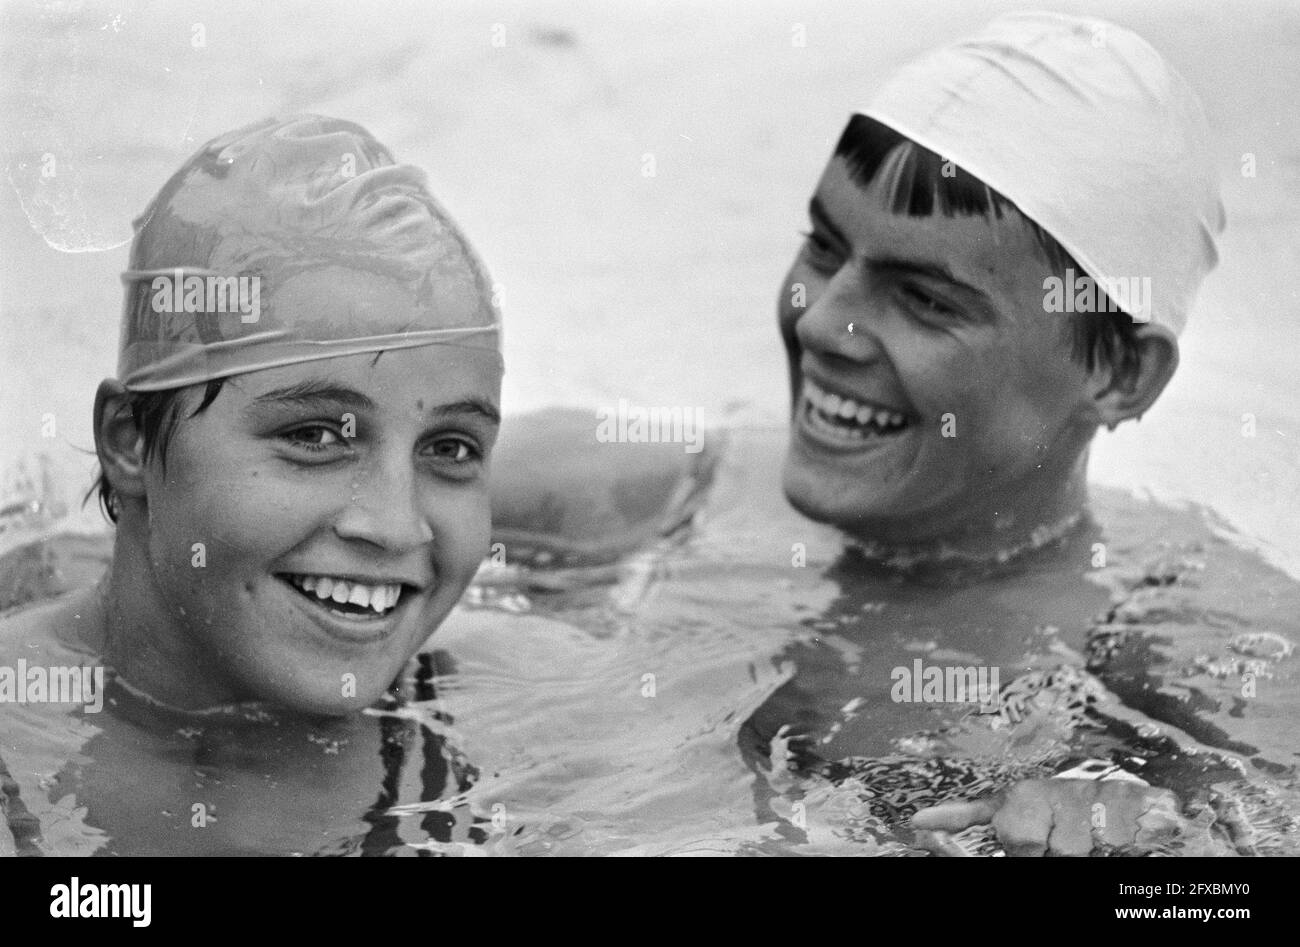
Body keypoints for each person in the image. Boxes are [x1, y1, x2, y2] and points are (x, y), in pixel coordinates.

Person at [0, 115, 504, 853]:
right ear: (129, 441)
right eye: (314, 436)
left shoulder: (490, 711)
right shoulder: (20, 737)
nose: (397, 527)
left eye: (451, 447)